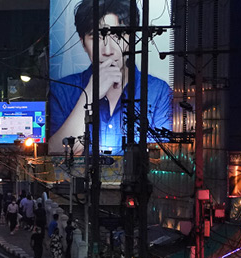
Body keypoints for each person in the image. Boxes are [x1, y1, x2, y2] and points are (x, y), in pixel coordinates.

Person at [47, 0, 174, 155]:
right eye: (96, 37)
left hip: (136, 180)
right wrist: (89, 95)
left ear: (133, 38)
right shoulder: (62, 90)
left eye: (117, 35)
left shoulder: (158, 91)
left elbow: (162, 156)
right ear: (82, 42)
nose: (107, 50)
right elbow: (56, 153)